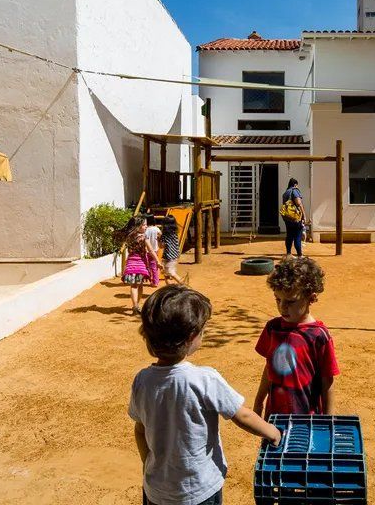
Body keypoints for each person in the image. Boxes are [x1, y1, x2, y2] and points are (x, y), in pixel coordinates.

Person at [130, 285, 281, 505]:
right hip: (198, 490)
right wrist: (273, 433)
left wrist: (148, 466)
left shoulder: (142, 380)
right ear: (192, 337)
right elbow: (243, 416)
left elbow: (140, 430)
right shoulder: (204, 379)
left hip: (156, 490)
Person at [254, 257, 339, 417]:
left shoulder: (319, 335)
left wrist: (328, 421)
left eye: (290, 301)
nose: (282, 307)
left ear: (311, 298)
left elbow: (327, 381)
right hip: (274, 417)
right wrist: (259, 401)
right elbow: (269, 367)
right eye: (277, 299)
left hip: (308, 418)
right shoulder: (273, 328)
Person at [122, 217, 159, 313]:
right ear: (137, 226)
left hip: (131, 264)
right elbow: (151, 250)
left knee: (134, 286)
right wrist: (158, 261)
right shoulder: (143, 237)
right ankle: (136, 305)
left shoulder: (129, 237)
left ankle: (135, 306)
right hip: (141, 264)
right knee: (139, 285)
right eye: (144, 224)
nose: (146, 226)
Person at [280, 178, 308, 258]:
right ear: (295, 184)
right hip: (295, 217)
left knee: (289, 235)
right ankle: (299, 255)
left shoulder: (285, 193)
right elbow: (299, 203)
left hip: (287, 218)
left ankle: (288, 253)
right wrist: (304, 215)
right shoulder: (295, 190)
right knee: (297, 236)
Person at [159, 215, 187, 286]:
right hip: (174, 256)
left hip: (168, 257)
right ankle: (170, 288)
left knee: (171, 273)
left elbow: (161, 246)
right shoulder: (174, 234)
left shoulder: (164, 236)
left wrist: (159, 239)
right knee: (167, 274)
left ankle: (184, 285)